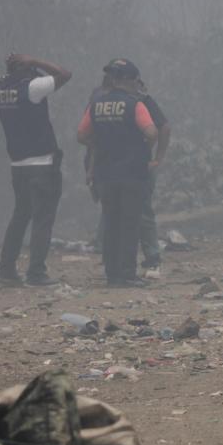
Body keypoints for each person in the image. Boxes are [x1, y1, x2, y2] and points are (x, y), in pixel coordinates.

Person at [0, 53, 71, 287]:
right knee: (42, 219)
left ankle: (6, 269)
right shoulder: (31, 88)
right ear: (26, 69)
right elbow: (64, 74)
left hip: (18, 165)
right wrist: (36, 61)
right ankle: (36, 273)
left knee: (20, 216)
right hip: (42, 163)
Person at [77, 59, 159, 287]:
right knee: (130, 224)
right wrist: (141, 147)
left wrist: (103, 141)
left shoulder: (96, 105)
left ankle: (112, 274)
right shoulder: (135, 105)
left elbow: (81, 136)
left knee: (111, 223)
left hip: (105, 173)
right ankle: (127, 274)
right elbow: (152, 132)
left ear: (113, 79)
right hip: (132, 173)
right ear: (131, 80)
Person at [135, 78, 171, 270]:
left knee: (135, 211)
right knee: (141, 212)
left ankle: (120, 259)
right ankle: (147, 256)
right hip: (136, 165)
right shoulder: (139, 101)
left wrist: (158, 157)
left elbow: (163, 128)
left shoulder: (142, 101)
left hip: (129, 166)